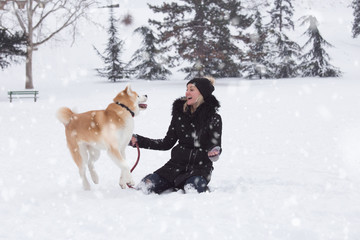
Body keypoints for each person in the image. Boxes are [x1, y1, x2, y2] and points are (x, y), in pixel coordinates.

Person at [130, 76, 222, 194]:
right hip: (174, 167)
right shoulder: (179, 116)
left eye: (191, 89)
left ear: (202, 94)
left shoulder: (214, 119)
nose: (187, 92)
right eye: (187, 89)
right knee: (146, 186)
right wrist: (138, 140)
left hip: (200, 169)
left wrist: (214, 152)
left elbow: (216, 145)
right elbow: (166, 143)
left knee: (192, 189)